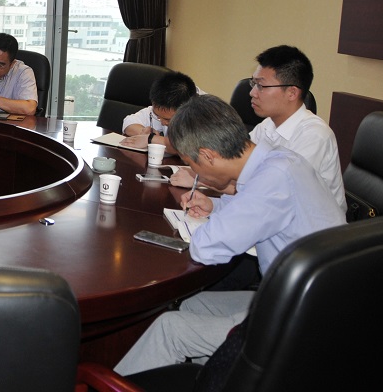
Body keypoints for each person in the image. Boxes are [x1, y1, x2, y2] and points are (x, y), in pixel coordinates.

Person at [114, 95, 345, 375]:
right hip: (312, 300)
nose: (195, 174)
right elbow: (262, 209)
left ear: (208, 156)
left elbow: (206, 248)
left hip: (304, 320)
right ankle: (215, 378)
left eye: (192, 165)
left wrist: (213, 222)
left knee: (169, 328)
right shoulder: (279, 160)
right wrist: (216, 205)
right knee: (192, 304)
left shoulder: (272, 179)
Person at [171, 46, 345, 211]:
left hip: (311, 230)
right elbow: (237, 166)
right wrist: (213, 200)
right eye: (253, 84)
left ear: (292, 93)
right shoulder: (268, 125)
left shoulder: (314, 136)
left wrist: (203, 179)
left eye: (261, 86)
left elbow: (274, 196)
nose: (252, 93)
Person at [120, 71, 199, 153]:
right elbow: (129, 122)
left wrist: (152, 139)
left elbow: (191, 149)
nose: (162, 122)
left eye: (168, 120)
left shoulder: (202, 112)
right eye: (157, 116)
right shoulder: (162, 107)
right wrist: (146, 133)